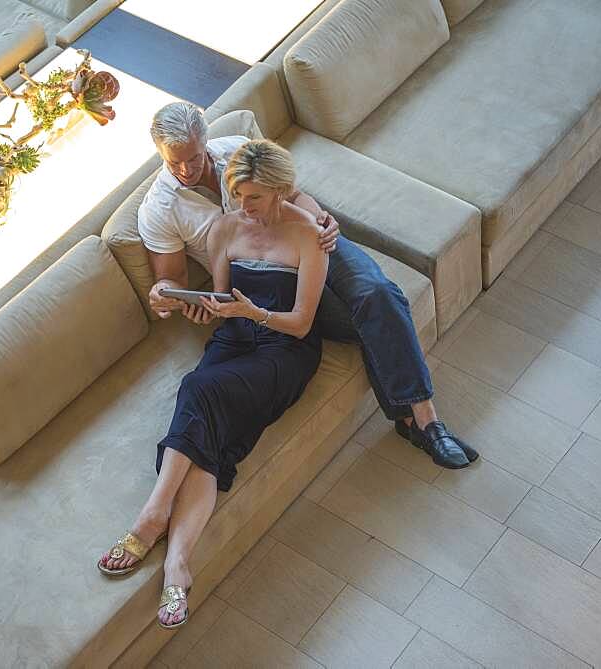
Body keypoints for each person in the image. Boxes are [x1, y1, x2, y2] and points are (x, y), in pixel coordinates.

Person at [139, 102, 477, 469]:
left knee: (378, 294)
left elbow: (293, 195)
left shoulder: (237, 149)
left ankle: (424, 418)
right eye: (175, 163)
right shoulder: (160, 208)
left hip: (309, 239)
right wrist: (167, 295)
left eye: (194, 157)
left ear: (205, 142)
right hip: (269, 284)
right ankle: (416, 423)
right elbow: (170, 279)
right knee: (381, 312)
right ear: (161, 155)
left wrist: (320, 218)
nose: (186, 170)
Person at [98, 140, 328, 630]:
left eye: (256, 197)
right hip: (234, 340)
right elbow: (222, 302)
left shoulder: (309, 236)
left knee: (197, 390)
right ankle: (178, 566)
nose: (244, 207)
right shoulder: (225, 229)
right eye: (238, 195)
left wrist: (252, 311)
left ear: (282, 190)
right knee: (210, 437)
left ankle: (152, 515)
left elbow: (303, 323)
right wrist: (203, 306)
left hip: (283, 350)